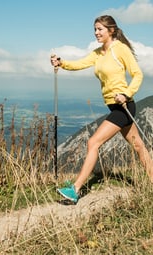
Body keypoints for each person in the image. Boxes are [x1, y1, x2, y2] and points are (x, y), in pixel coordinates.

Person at [50, 15, 153, 203]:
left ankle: (75, 190)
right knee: (139, 146)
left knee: (93, 142)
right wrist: (62, 63)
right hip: (114, 105)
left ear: (111, 30)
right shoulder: (98, 53)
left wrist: (127, 93)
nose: (96, 32)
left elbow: (137, 74)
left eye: (100, 29)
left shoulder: (120, 49)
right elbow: (79, 64)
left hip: (123, 106)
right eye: (95, 29)